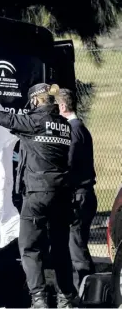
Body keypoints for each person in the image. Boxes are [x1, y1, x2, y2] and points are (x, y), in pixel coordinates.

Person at [0, 78, 79, 308]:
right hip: (62, 195)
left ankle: (38, 299)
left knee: (30, 247)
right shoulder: (65, 126)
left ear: (36, 100)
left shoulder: (33, 121)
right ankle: (66, 297)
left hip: (37, 194)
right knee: (60, 248)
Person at [56, 88, 97, 287]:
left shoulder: (73, 130)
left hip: (79, 196)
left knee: (77, 248)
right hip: (85, 195)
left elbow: (69, 163)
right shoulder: (80, 128)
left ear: (62, 106)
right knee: (78, 245)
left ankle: (87, 290)